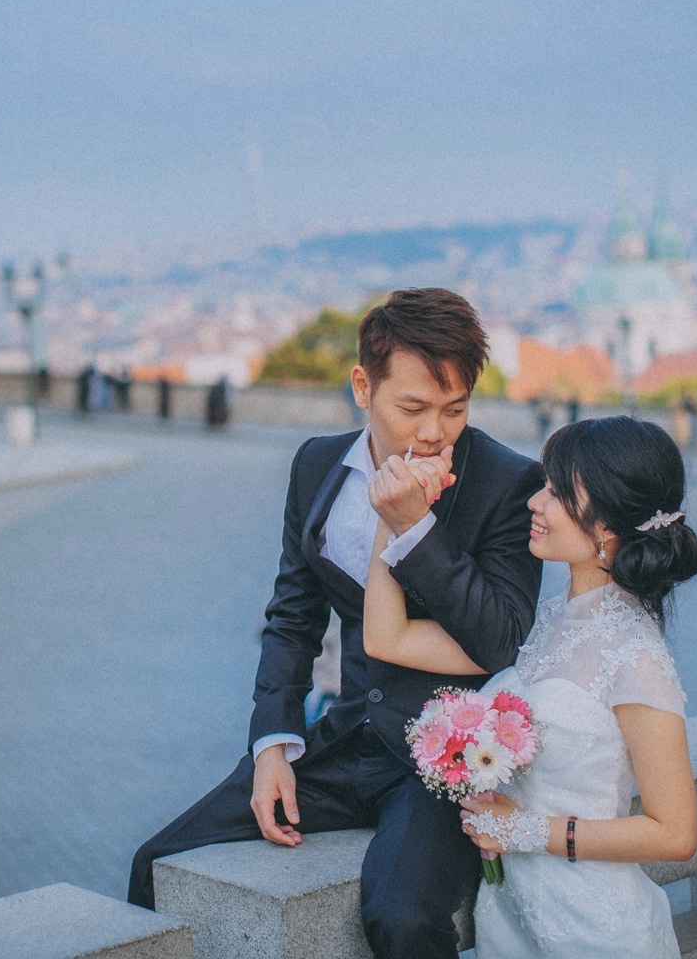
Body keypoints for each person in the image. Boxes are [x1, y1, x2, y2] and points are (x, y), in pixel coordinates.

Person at [129, 288, 544, 957]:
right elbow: (292, 620)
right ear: (363, 387)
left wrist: (416, 527)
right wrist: (272, 744)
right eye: (412, 407)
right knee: (153, 863)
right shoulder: (317, 465)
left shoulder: (508, 481)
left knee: (402, 920)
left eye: (454, 409)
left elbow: (499, 637)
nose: (435, 431)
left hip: (441, 762)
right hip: (344, 738)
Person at [363, 416, 697, 956]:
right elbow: (386, 639)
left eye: (557, 492)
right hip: (512, 919)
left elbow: (674, 833)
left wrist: (522, 831)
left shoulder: (635, 656)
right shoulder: (550, 620)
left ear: (606, 527)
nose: (534, 502)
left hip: (592, 931)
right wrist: (399, 517)